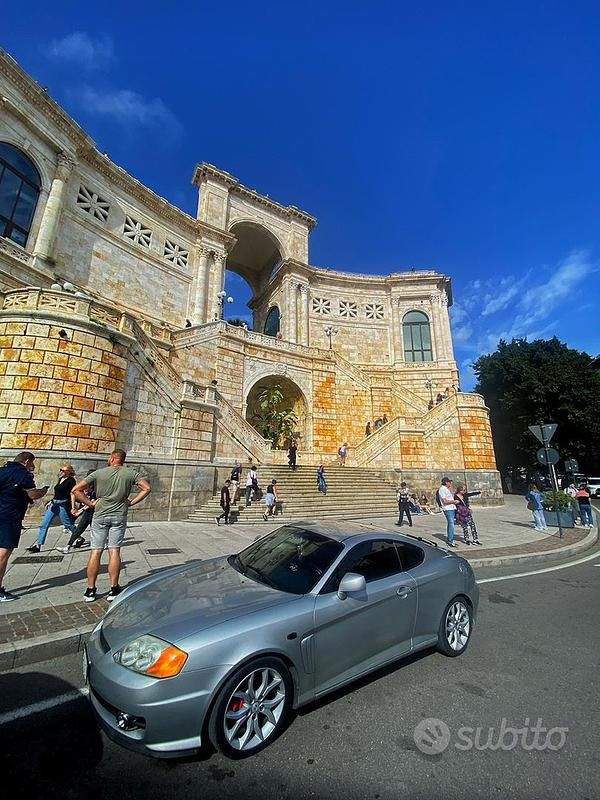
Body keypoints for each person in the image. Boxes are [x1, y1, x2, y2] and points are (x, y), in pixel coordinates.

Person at [73, 449, 151, 602]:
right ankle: (114, 588)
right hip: (119, 515)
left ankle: (90, 590)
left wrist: (90, 504)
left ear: (113, 458)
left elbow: (76, 490)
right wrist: (131, 502)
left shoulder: (99, 473)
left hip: (100, 515)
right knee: (114, 551)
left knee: (96, 552)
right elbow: (147, 488)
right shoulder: (131, 473)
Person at [0, 452, 48, 602]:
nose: (33, 467)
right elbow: (33, 494)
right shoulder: (22, 474)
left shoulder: (2, 470)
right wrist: (43, 491)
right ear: (26, 461)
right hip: (9, 517)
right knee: (3, 553)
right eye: (32, 464)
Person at [26, 463, 78, 553]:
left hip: (62, 505)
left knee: (68, 524)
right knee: (44, 524)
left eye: (63, 470)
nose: (61, 472)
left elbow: (72, 493)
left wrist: (73, 507)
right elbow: (57, 492)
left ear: (68, 472)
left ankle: (79, 537)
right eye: (60, 470)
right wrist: (51, 500)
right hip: (54, 504)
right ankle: (38, 545)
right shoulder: (60, 479)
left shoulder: (71, 480)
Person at [62, 470, 96, 552]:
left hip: (92, 511)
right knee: (81, 528)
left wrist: (79, 511)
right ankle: (68, 546)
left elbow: (92, 502)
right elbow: (73, 493)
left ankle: (68, 546)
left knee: (90, 529)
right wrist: (73, 507)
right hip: (86, 509)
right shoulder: (84, 485)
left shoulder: (96, 488)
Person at [438, 477, 458, 547]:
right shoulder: (442, 489)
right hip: (448, 509)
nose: (450, 483)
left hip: (451, 508)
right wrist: (454, 501)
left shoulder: (446, 489)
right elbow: (445, 501)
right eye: (449, 482)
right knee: (451, 524)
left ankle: (451, 539)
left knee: (452, 524)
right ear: (446, 482)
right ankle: (450, 541)